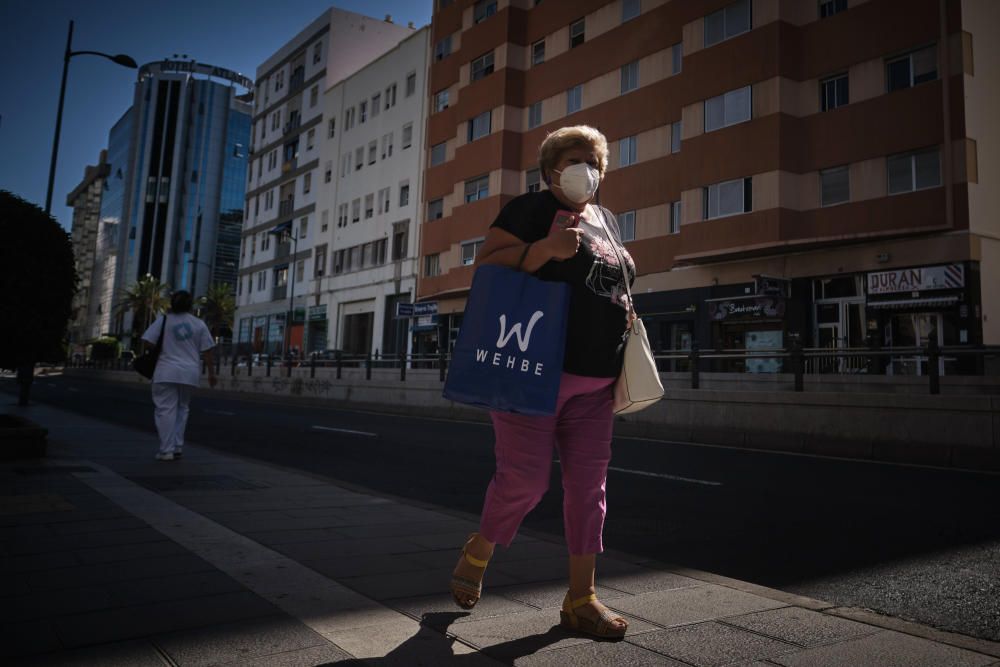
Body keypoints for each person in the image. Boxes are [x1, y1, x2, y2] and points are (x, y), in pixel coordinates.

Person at [449, 126, 635, 639]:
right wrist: (545, 251)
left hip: (597, 383)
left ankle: (581, 599)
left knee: (589, 491)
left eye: (593, 161)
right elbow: (485, 268)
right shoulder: (528, 210)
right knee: (525, 482)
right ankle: (481, 548)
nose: (586, 169)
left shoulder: (607, 220)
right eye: (575, 159)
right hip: (533, 374)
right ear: (550, 168)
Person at [140, 290, 217, 461]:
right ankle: (177, 446)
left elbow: (147, 341)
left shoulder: (164, 320)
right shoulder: (199, 324)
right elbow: (208, 351)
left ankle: (166, 450)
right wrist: (211, 374)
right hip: (189, 373)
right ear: (190, 305)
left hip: (165, 371)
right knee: (182, 409)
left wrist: (160, 350)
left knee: (165, 410)